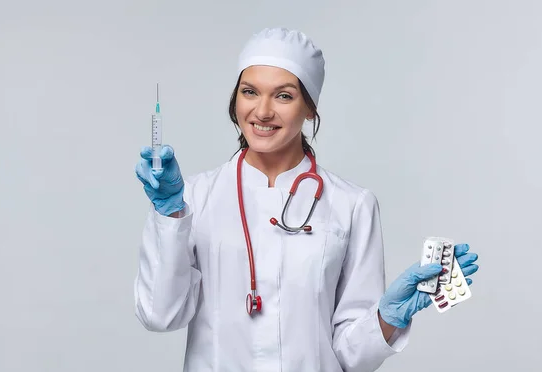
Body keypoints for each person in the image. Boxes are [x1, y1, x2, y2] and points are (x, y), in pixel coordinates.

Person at [134, 27, 479, 372]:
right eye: (249, 92)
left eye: (283, 96)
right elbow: (160, 315)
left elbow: (347, 356)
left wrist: (385, 319)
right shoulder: (193, 198)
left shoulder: (352, 205)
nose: (263, 111)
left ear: (310, 109)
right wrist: (169, 216)